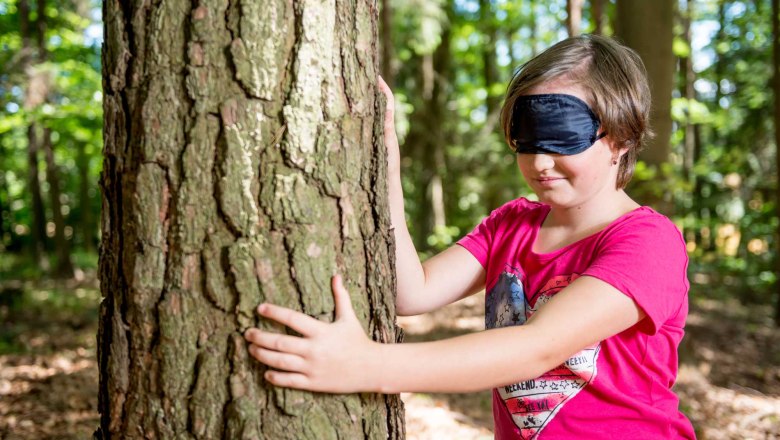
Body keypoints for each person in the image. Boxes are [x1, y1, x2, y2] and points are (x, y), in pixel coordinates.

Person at [243, 34, 696, 439]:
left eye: (562, 140)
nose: (540, 162)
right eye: (527, 140)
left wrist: (364, 365)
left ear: (619, 139)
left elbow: (535, 348)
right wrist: (386, 168)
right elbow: (412, 292)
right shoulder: (511, 225)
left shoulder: (648, 243)